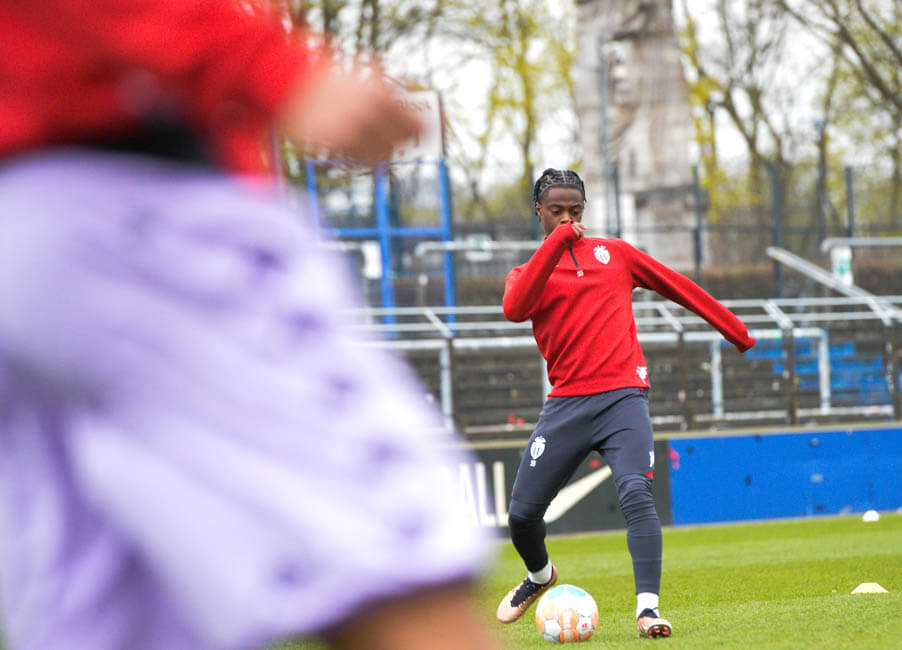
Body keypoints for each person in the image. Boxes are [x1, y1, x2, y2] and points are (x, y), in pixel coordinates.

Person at [0, 2, 496, 649]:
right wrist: (267, 65)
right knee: (394, 571)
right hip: (136, 205)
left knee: (111, 624)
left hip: (25, 247)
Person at [496, 168, 755, 638]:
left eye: (576, 210)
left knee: (636, 491)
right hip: (567, 405)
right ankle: (540, 575)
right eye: (557, 211)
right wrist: (557, 243)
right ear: (539, 211)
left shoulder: (614, 254)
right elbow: (515, 308)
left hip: (623, 398)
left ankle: (648, 611)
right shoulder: (528, 273)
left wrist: (735, 331)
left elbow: (679, 286)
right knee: (522, 516)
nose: (568, 218)